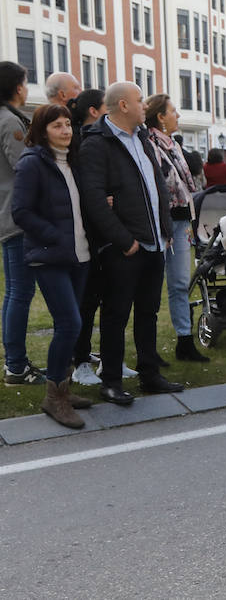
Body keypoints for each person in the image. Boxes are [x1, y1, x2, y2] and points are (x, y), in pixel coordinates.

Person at [78, 82, 184, 403]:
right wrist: (123, 241)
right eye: (139, 101)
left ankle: (150, 374)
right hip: (125, 248)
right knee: (116, 315)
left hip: (153, 243)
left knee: (148, 313)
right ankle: (110, 381)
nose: (144, 106)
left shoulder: (142, 138)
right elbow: (94, 199)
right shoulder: (97, 144)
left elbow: (158, 188)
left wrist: (164, 231)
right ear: (123, 105)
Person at [11, 104, 94, 426]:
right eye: (57, 125)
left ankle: (64, 385)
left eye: (69, 125)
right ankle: (53, 398)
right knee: (69, 324)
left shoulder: (73, 161)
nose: (66, 130)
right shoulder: (33, 163)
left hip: (80, 255)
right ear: (42, 129)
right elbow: (21, 212)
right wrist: (55, 236)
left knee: (73, 325)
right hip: (51, 256)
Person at [145, 94, 208, 363]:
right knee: (150, 286)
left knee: (181, 283)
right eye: (173, 111)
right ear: (160, 116)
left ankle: (184, 339)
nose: (178, 116)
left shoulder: (172, 145)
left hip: (182, 220)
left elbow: (185, 183)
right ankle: (149, 348)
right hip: (161, 220)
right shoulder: (149, 143)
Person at [0, 62, 44, 386]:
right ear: (18, 88)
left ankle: (14, 362)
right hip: (18, 218)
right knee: (20, 292)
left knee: (15, 291)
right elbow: (25, 167)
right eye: (26, 83)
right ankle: (16, 365)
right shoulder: (9, 122)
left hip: (10, 216)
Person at [69, 88, 110, 385]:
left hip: (103, 230)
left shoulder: (98, 139)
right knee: (87, 299)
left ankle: (100, 357)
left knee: (104, 297)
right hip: (89, 233)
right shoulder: (84, 141)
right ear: (94, 111)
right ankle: (80, 360)